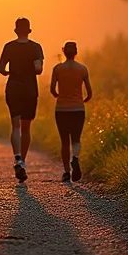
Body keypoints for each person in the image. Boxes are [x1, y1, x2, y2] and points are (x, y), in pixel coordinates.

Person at [0, 17, 44, 183]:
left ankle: (17, 158)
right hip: (30, 89)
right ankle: (22, 162)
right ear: (29, 30)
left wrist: (11, 72)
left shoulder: (9, 47)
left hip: (13, 87)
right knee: (26, 127)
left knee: (15, 124)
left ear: (16, 30)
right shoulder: (36, 47)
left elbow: (0, 68)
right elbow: (38, 69)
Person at [50, 41, 93, 182]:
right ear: (76, 52)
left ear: (63, 51)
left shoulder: (57, 69)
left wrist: (59, 97)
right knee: (76, 139)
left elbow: (52, 90)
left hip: (62, 109)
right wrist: (83, 100)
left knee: (64, 141)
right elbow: (89, 92)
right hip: (78, 109)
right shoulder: (82, 69)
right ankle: (75, 158)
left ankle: (66, 172)